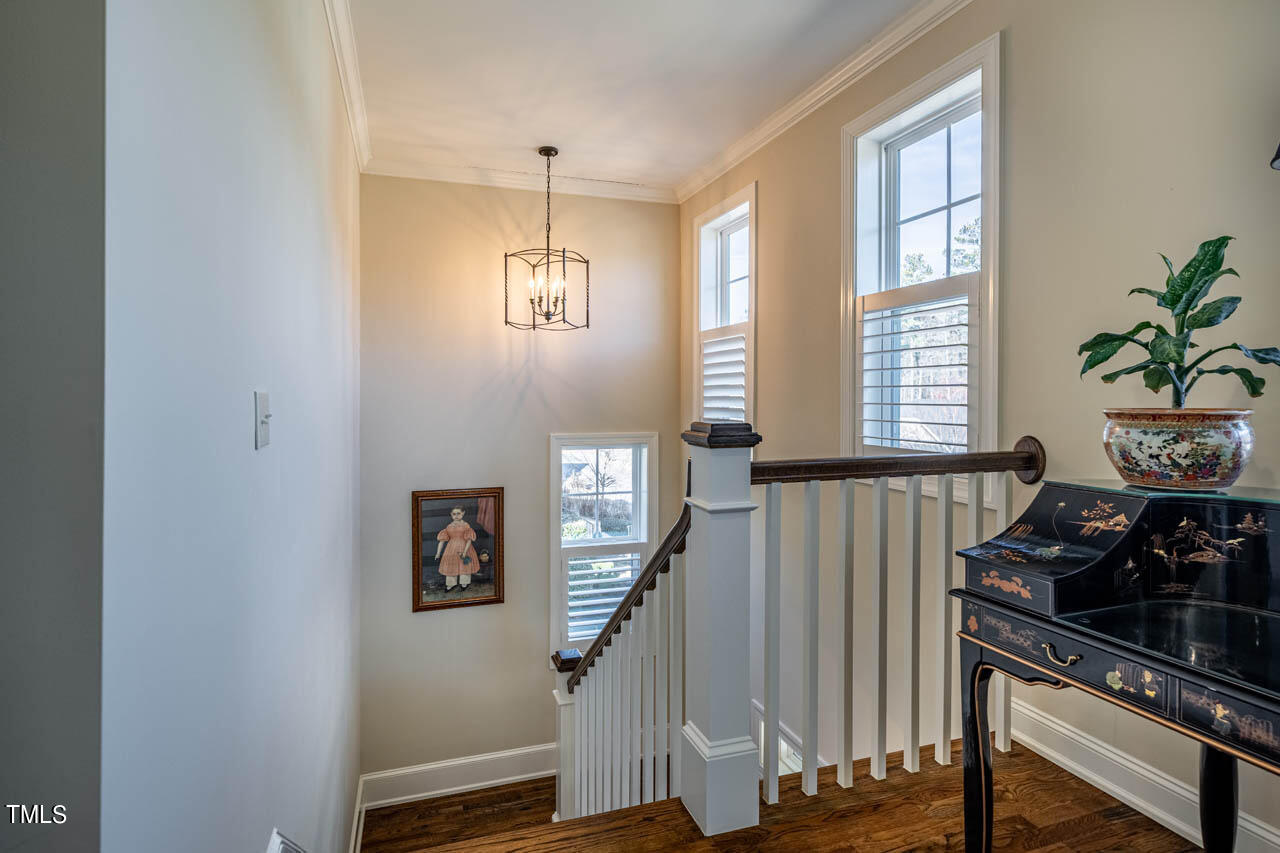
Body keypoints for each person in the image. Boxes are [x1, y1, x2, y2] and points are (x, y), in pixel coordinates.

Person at [435, 506, 479, 591]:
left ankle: (464, 583)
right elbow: (441, 541)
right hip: (451, 549)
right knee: (451, 565)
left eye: (458, 513)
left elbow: (469, 540)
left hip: (465, 547)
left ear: (463, 513)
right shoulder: (449, 527)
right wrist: (438, 553)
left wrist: (465, 552)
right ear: (451, 515)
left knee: (464, 565)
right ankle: (451, 584)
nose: (456, 516)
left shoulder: (466, 525)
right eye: (454, 514)